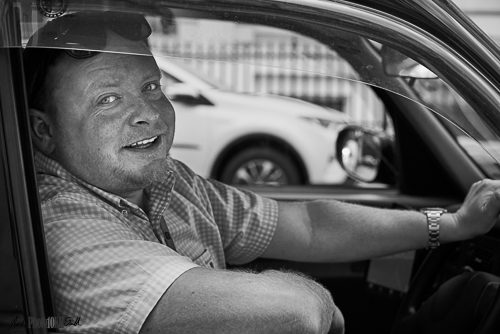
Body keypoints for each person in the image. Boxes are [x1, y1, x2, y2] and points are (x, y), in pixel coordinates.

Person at [23, 11, 500, 334]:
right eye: (108, 100)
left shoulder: (170, 182)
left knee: (474, 295)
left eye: (150, 86)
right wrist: (322, 305)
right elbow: (292, 313)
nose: (147, 113)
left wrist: (452, 224)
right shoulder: (58, 227)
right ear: (44, 131)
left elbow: (308, 226)